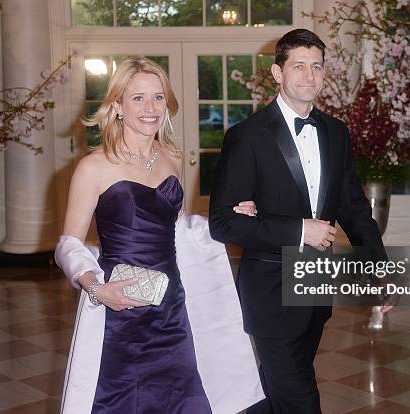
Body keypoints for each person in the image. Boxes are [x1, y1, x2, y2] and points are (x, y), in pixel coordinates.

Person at [55, 56, 263, 413]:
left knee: (187, 397)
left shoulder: (172, 157)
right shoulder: (94, 167)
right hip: (121, 310)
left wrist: (228, 219)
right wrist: (96, 288)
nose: (150, 108)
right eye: (137, 98)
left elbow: (181, 228)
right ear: (117, 105)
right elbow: (68, 245)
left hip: (173, 309)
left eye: (158, 97)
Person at [209, 29, 395, 414]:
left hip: (314, 286)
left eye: (317, 66)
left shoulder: (336, 133)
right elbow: (223, 223)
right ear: (277, 73)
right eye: (299, 66)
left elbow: (355, 209)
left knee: (276, 390)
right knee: (300, 399)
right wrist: (298, 230)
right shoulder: (247, 137)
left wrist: (379, 268)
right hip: (270, 289)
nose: (309, 76)